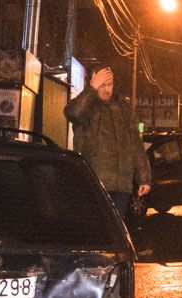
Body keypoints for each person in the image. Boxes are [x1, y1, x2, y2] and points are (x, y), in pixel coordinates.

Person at [64, 65, 151, 220]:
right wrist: (92, 88)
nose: (106, 89)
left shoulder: (124, 107)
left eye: (109, 84)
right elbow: (72, 113)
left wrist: (144, 177)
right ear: (92, 81)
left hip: (121, 185)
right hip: (94, 183)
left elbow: (135, 143)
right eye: (102, 84)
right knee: (96, 230)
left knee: (115, 234)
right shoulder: (86, 106)